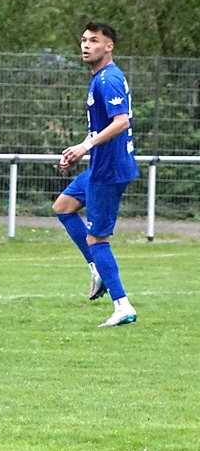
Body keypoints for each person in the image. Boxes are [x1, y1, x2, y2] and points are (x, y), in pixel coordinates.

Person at [53, 22, 140, 328]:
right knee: (63, 206)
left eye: (93, 40)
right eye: (84, 40)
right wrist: (81, 149)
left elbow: (121, 122)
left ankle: (122, 305)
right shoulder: (100, 78)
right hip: (100, 165)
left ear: (109, 46)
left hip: (109, 170)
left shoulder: (108, 79)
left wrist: (85, 146)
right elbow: (103, 127)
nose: (86, 46)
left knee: (97, 238)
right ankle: (97, 268)